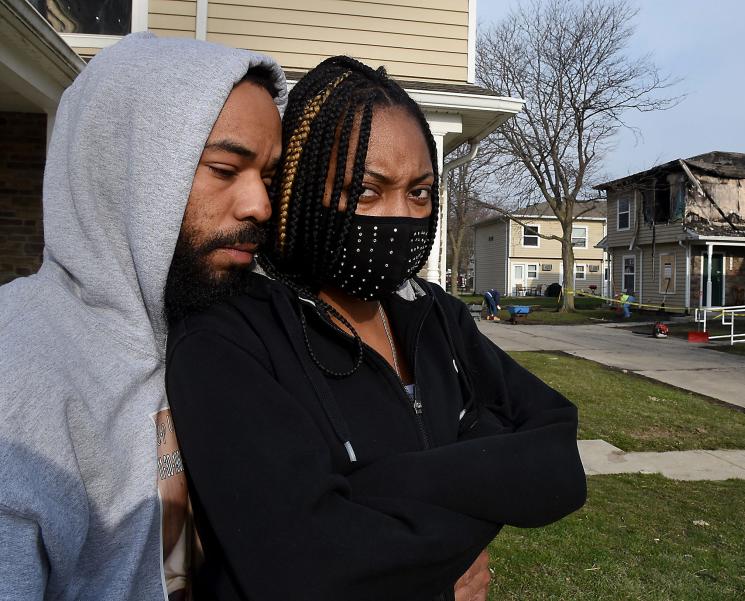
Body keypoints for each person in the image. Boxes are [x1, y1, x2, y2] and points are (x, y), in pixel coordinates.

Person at [165, 56, 587, 601]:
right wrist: (486, 481)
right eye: (366, 191)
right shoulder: (231, 335)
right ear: (298, 189)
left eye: (419, 192)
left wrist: (367, 490)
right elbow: (306, 566)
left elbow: (556, 461)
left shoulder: (434, 314)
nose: (401, 217)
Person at [0, 33, 288, 599]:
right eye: (225, 169)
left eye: (269, 176)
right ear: (128, 173)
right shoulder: (19, 370)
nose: (261, 206)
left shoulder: (225, 337)